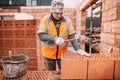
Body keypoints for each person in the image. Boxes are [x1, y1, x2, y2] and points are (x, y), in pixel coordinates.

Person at [37, 0, 90, 72]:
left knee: (64, 72)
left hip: (62, 54)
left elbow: (72, 35)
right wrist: (54, 39)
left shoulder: (67, 21)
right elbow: (41, 35)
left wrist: (78, 48)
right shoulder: (45, 20)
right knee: (51, 73)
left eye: (61, 13)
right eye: (56, 13)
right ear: (51, 11)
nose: (59, 15)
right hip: (48, 54)